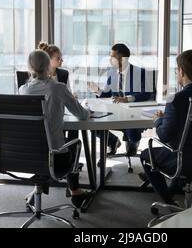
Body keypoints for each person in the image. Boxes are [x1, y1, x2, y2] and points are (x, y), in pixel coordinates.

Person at [139, 50, 192, 205]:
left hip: (183, 159)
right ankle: (176, 187)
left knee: (146, 154)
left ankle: (168, 202)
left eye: (177, 70)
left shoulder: (176, 99)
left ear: (182, 72)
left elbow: (164, 135)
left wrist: (158, 120)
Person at [19, 49, 92, 208]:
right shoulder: (57, 88)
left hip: (27, 155)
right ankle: (76, 191)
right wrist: (88, 111)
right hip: (56, 158)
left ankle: (38, 191)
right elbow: (82, 115)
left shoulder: (23, 90)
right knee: (73, 142)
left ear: (29, 68)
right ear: (48, 65)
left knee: (46, 145)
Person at [88, 43, 154, 156]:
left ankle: (133, 142)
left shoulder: (141, 72)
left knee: (131, 133)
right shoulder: (112, 73)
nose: (109, 60)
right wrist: (97, 90)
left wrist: (127, 99)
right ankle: (113, 142)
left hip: (134, 113)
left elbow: (146, 93)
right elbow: (107, 94)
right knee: (94, 126)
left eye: (112, 57)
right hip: (115, 112)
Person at [38, 42, 78, 140]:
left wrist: (71, 96)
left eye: (61, 58)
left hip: (62, 112)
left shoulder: (64, 74)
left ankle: (69, 151)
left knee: (75, 127)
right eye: (58, 58)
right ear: (48, 60)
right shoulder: (39, 76)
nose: (61, 60)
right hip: (47, 115)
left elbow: (68, 92)